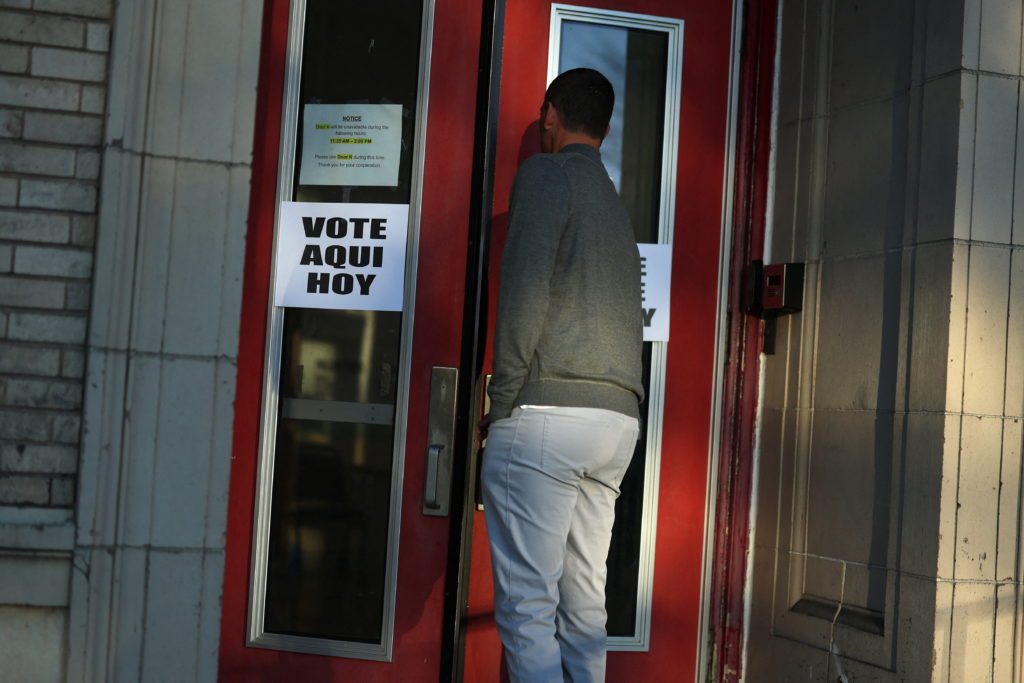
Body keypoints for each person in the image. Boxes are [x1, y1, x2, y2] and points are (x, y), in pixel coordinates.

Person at [479, 68, 644, 683]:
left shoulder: (547, 176)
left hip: (548, 419)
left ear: (550, 115)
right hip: (616, 423)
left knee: (528, 611)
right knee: (583, 607)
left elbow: (523, 295)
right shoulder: (614, 204)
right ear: (604, 129)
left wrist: (500, 407)